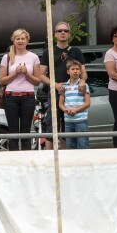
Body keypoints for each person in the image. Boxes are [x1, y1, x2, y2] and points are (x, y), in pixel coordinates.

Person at [40, 21, 87, 150]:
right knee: (52, 125)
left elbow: (84, 73)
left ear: (69, 34)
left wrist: (82, 81)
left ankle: (67, 156)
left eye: (65, 31)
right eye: (59, 31)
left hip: (72, 94)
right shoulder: (48, 52)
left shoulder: (76, 51)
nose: (62, 33)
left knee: (69, 125)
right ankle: (51, 157)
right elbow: (41, 75)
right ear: (55, 34)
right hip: (55, 93)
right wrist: (55, 85)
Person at [0, 29, 41, 151]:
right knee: (13, 132)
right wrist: (15, 73)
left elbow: (37, 81)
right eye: (18, 38)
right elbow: (1, 81)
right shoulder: (7, 57)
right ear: (13, 41)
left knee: (26, 131)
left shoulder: (33, 57)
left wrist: (26, 73)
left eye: (23, 38)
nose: (20, 41)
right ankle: (14, 159)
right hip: (11, 96)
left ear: (27, 40)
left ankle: (26, 159)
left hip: (28, 97)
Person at [59, 59, 90, 149]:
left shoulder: (84, 85)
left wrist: (76, 110)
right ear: (68, 71)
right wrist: (66, 110)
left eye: (77, 69)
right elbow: (61, 104)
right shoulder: (64, 86)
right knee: (70, 146)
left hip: (81, 120)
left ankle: (84, 163)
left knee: (83, 144)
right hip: (68, 120)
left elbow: (87, 103)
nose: (75, 71)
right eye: (73, 69)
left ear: (80, 71)